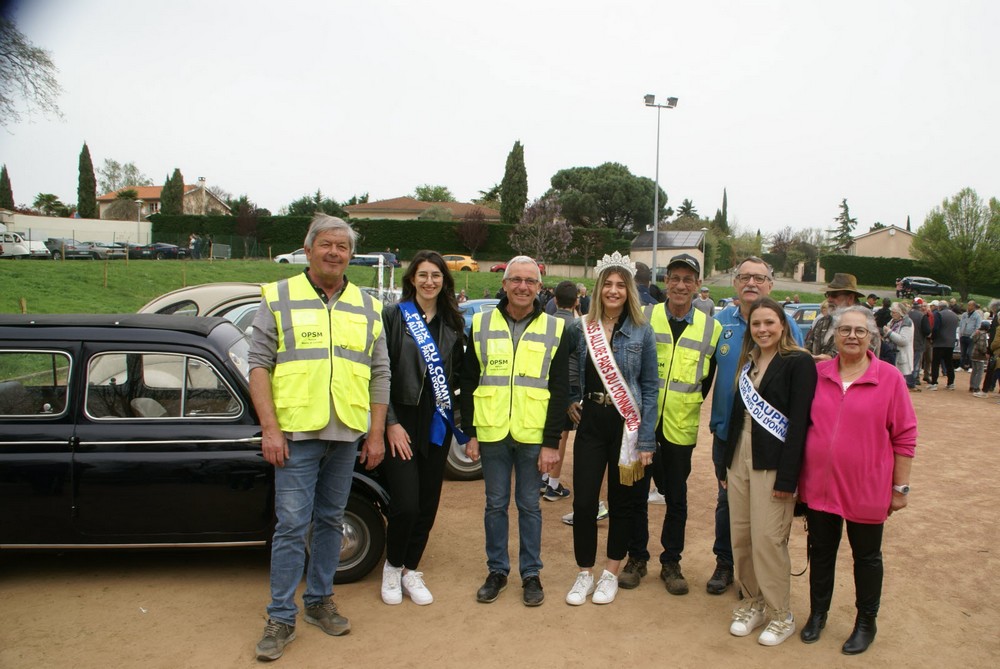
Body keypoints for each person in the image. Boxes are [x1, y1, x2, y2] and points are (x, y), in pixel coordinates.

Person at [249, 214, 390, 661]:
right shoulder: (278, 296)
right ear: (308, 250)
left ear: (351, 255)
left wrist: (376, 433)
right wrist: (270, 430)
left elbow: (379, 373)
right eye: (326, 245)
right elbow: (258, 367)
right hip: (296, 435)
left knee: (330, 521)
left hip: (346, 435)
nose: (334, 253)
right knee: (291, 526)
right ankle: (280, 617)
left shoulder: (367, 306)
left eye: (343, 247)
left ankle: (319, 602)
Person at [798, 305, 917, 655]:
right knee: (821, 552)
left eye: (859, 331)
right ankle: (818, 614)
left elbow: (905, 435)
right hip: (819, 484)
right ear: (834, 335)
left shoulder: (889, 378)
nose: (852, 336)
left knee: (866, 557)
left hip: (867, 486)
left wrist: (900, 488)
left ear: (872, 337)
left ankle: (866, 622)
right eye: (845, 330)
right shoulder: (818, 374)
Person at [461, 256, 571, 606]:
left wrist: (552, 443)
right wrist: (471, 433)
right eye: (516, 280)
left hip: (532, 436)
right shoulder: (479, 324)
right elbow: (467, 380)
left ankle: (531, 574)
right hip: (492, 432)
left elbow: (559, 392)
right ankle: (497, 571)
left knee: (529, 506)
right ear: (504, 284)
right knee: (495, 505)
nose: (523, 286)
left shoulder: (557, 329)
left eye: (530, 281)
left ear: (540, 287)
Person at [619, 253, 720, 595]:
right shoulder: (643, 316)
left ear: (697, 285)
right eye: (674, 278)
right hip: (639, 424)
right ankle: (637, 557)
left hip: (681, 426)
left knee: (675, 497)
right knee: (635, 494)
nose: (680, 285)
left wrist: (684, 404)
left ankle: (671, 561)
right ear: (666, 281)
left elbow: (706, 382)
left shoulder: (712, 328)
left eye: (687, 280)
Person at [563, 252, 659, 605]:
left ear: (629, 290)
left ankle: (610, 573)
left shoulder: (641, 330)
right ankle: (584, 572)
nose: (614, 290)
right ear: (599, 288)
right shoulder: (580, 327)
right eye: (608, 284)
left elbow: (649, 386)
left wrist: (646, 438)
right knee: (585, 502)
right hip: (591, 422)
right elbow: (569, 365)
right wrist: (571, 398)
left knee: (622, 503)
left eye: (621, 285)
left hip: (627, 425)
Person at [707, 257, 804, 596]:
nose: (751, 283)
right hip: (727, 432)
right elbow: (703, 376)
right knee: (729, 506)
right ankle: (726, 564)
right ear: (735, 283)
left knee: (769, 514)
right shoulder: (718, 323)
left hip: (772, 438)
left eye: (759, 278)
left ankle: (766, 578)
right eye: (744, 277)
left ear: (770, 285)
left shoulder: (789, 325)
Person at [724, 297, 816, 646]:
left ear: (783, 325)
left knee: (768, 539)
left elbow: (799, 424)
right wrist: (725, 462)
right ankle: (753, 601)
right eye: (756, 324)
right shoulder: (748, 362)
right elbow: (736, 416)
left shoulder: (798, 362)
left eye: (769, 323)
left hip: (773, 461)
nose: (762, 329)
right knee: (742, 536)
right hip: (739, 457)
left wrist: (788, 477)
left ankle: (781, 614)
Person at [379, 251, 466, 606]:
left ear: (444, 281)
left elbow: (459, 374)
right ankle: (391, 566)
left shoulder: (453, 323)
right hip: (402, 419)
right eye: (423, 275)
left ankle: (411, 570)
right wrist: (391, 423)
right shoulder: (393, 317)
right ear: (412, 279)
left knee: (428, 503)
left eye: (436, 276)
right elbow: (379, 373)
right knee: (406, 504)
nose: (429, 281)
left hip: (437, 420)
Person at [541, 280, 582, 501]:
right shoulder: (578, 326)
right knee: (561, 435)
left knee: (544, 432)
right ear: (577, 300)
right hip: (568, 386)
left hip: (544, 384)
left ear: (555, 300)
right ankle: (553, 484)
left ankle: (544, 477)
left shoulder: (544, 323)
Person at [805, 273, 880, 360]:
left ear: (850, 298)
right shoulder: (822, 321)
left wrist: (831, 360)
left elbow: (868, 358)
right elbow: (808, 346)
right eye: (827, 294)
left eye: (834, 295)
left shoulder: (865, 323)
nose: (829, 299)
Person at [882, 302, 915, 390]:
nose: (892, 314)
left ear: (900, 312)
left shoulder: (907, 323)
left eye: (894, 312)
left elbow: (903, 341)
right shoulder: (892, 321)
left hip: (900, 355)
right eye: (891, 312)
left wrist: (889, 332)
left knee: (900, 382)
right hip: (891, 354)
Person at [928, 300, 958, 390]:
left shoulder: (939, 314)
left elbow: (936, 328)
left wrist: (932, 338)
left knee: (935, 363)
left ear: (939, 307)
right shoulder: (954, 315)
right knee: (949, 363)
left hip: (940, 342)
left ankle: (934, 383)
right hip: (951, 342)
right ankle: (951, 383)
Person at [907, 298, 927, 389]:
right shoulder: (922, 316)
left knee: (908, 362)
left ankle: (907, 379)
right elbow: (927, 330)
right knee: (915, 362)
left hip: (908, 342)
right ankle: (913, 380)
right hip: (918, 342)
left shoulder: (907, 314)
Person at [957, 301, 982, 371]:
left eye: (970, 305)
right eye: (968, 305)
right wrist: (960, 333)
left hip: (971, 337)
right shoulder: (964, 314)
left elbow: (978, 326)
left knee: (969, 353)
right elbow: (961, 323)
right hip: (963, 335)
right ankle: (961, 366)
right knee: (962, 353)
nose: (968, 307)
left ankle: (970, 366)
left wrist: (973, 335)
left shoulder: (977, 316)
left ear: (974, 306)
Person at [970, 321, 991, 398]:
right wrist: (985, 352)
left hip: (974, 354)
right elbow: (981, 346)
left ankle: (972, 386)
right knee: (980, 372)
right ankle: (976, 387)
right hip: (980, 356)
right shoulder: (983, 334)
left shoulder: (977, 333)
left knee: (974, 371)